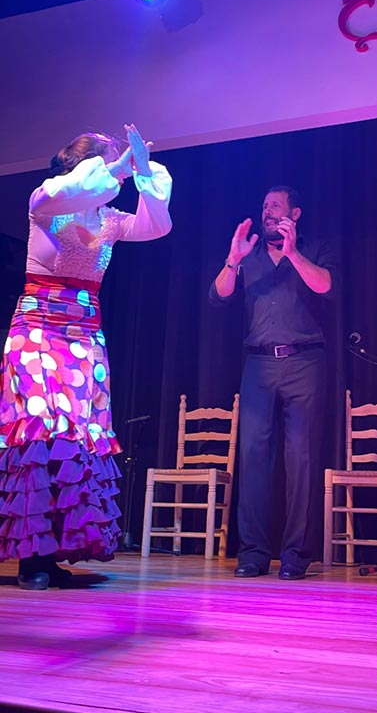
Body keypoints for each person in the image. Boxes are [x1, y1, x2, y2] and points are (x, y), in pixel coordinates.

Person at [0, 125, 173, 589]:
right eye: (108, 162)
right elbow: (61, 196)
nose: (118, 170)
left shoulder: (112, 221)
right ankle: (30, 560)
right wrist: (115, 169)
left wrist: (144, 178)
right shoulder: (45, 202)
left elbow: (157, 224)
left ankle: (53, 553)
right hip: (36, 331)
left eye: (120, 162)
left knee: (75, 444)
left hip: (84, 338)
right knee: (39, 434)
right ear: (87, 169)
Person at [209, 186, 335, 580]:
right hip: (259, 366)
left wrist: (294, 253)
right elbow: (217, 297)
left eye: (275, 207)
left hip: (304, 363)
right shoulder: (251, 257)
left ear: (293, 214)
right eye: (264, 206)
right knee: (254, 458)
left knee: (302, 460)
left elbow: (325, 286)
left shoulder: (314, 248)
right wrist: (233, 259)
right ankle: (253, 553)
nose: (267, 213)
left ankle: (296, 555)